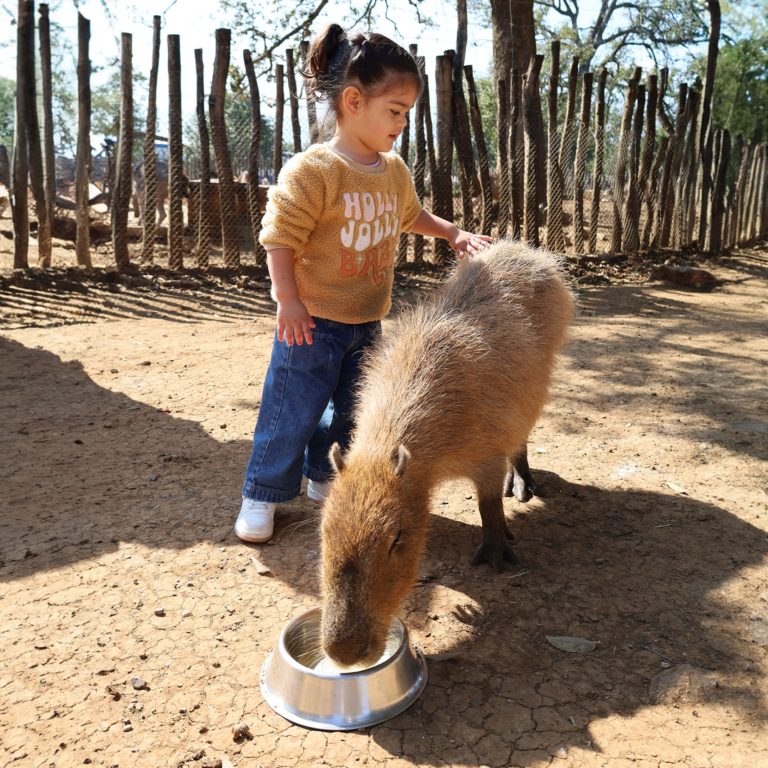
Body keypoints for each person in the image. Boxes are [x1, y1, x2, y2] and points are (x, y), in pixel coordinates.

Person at [235, 23, 492, 543]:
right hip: (311, 323)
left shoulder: (391, 170)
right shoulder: (315, 170)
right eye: (394, 111)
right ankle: (261, 495)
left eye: (406, 114)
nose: (401, 123)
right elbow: (278, 237)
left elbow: (408, 214)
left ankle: (322, 478)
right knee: (292, 410)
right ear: (353, 100)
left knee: (349, 416)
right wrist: (287, 300)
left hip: (367, 322)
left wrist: (453, 233)